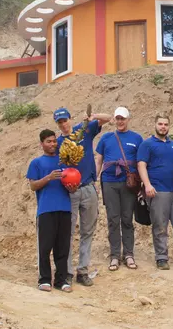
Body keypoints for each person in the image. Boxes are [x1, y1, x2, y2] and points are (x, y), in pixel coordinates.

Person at [54, 106, 111, 287]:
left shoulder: (83, 130)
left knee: (87, 231)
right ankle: (68, 271)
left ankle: (83, 270)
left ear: (70, 118)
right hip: (69, 190)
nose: (63, 125)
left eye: (65, 120)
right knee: (67, 232)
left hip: (88, 187)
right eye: (60, 122)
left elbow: (108, 118)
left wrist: (92, 116)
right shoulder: (58, 143)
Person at [137, 114, 173, 270]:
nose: (163, 127)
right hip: (157, 190)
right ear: (155, 125)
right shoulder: (147, 144)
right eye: (160, 124)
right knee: (160, 225)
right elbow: (141, 165)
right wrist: (147, 185)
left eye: (166, 124)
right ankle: (161, 257)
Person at [95, 107, 144, 271]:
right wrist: (94, 180)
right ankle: (115, 255)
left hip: (128, 183)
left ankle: (129, 254)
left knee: (127, 219)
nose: (120, 121)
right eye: (118, 118)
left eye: (123, 118)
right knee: (113, 219)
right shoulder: (106, 138)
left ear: (128, 119)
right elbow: (98, 161)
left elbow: (141, 163)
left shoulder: (137, 138)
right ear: (114, 120)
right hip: (109, 181)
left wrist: (144, 183)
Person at [26, 129, 73, 293]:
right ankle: (44, 279)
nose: (53, 144)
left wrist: (72, 186)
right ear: (42, 144)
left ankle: (61, 280)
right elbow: (33, 185)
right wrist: (48, 177)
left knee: (63, 247)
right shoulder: (36, 163)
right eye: (49, 141)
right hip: (46, 210)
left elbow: (71, 186)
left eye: (54, 141)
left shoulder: (64, 162)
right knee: (45, 247)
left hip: (65, 208)